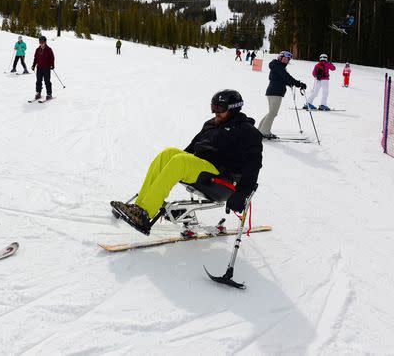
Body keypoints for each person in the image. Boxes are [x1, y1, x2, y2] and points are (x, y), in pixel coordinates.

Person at [110, 90, 263, 235]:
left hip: (222, 179)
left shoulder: (247, 131)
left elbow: (253, 164)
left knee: (180, 160)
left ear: (233, 109)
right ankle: (140, 207)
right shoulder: (211, 124)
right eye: (213, 107)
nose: (215, 112)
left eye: (220, 108)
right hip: (202, 168)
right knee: (168, 153)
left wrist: (242, 193)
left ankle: (145, 213)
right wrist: (173, 164)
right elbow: (190, 149)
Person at [257, 51, 307, 139]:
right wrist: (298, 84)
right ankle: (264, 132)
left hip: (273, 92)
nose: (285, 61)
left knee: (271, 113)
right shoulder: (278, 66)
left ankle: (261, 130)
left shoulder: (277, 66)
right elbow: (287, 77)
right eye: (284, 59)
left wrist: (290, 83)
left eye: (287, 60)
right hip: (275, 92)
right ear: (280, 58)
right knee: (273, 113)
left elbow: (283, 79)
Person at [32, 35, 55, 100]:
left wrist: (52, 65)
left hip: (46, 68)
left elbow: (52, 58)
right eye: (40, 42)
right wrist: (33, 65)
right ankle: (38, 93)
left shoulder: (49, 49)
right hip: (39, 67)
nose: (41, 43)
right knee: (38, 80)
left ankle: (49, 94)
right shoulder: (37, 50)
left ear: (45, 42)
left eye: (42, 42)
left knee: (47, 81)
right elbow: (35, 58)